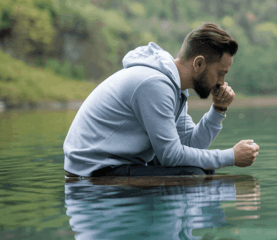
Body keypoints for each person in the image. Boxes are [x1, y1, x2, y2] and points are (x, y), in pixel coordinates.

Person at [63, 22, 260, 177]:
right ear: (199, 63)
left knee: (202, 168)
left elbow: (191, 146)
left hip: (118, 163)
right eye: (220, 73)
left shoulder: (175, 88)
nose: (222, 82)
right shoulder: (154, 84)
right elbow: (171, 156)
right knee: (191, 175)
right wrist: (231, 156)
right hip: (93, 170)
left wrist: (218, 110)